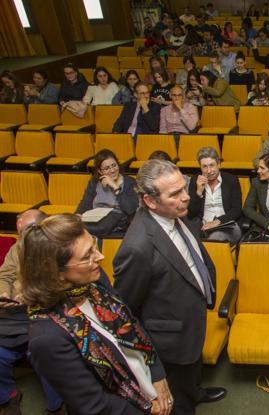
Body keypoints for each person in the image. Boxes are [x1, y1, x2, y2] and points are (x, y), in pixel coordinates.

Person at [22, 214, 173, 415]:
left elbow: (131, 323)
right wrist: (148, 410)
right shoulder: (47, 337)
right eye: (87, 256)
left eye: (94, 246)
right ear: (56, 273)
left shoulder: (94, 281)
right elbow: (95, 405)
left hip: (146, 386)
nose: (100, 257)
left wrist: (157, 375)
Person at [114, 160, 226, 414]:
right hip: (169, 338)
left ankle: (194, 392)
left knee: (190, 373)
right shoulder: (137, 248)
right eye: (175, 194)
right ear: (150, 201)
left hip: (190, 319)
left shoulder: (171, 214)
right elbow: (126, 311)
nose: (186, 198)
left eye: (184, 189)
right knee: (179, 401)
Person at [0, 210, 66, 415]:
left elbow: (61, 288)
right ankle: (8, 396)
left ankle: (57, 406)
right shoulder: (18, 247)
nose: (23, 239)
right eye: (20, 233)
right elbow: (6, 274)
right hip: (13, 313)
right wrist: (4, 292)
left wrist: (28, 297)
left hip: (44, 313)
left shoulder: (58, 251)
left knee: (41, 351)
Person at [76, 149, 138, 237]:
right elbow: (86, 202)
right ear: (100, 171)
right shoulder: (94, 182)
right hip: (96, 218)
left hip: (117, 223)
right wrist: (78, 214)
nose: (112, 170)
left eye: (114, 165)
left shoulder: (130, 182)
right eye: (106, 168)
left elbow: (130, 209)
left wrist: (115, 187)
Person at [187, 147, 243, 244]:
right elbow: (191, 213)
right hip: (202, 227)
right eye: (204, 166)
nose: (209, 171)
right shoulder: (195, 180)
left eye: (212, 165)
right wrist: (199, 192)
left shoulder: (231, 180)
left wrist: (217, 222)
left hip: (226, 226)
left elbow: (236, 209)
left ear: (219, 164)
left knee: (214, 238)